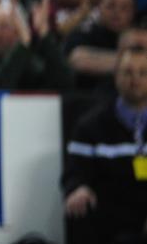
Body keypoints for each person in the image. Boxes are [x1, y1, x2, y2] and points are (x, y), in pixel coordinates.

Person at [63, 47, 147, 241]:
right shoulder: (91, 125)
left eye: (143, 72)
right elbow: (75, 171)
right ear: (116, 76)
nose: (135, 79)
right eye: (128, 72)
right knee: (79, 207)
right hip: (110, 214)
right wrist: (78, 187)